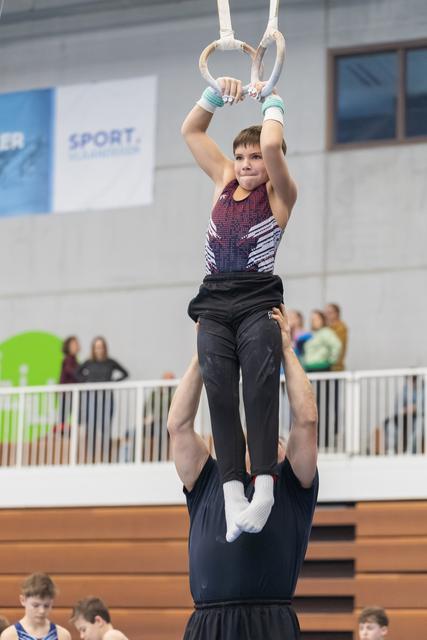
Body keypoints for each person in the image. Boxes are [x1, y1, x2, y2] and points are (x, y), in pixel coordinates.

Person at [182, 77, 298, 539]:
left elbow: (272, 143)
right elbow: (192, 132)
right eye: (241, 156)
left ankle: (264, 485)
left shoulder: (280, 195)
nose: (247, 164)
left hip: (256, 302)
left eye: (255, 158)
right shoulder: (223, 180)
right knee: (220, 393)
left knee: (258, 389)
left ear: (272, 165)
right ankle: (233, 494)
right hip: (213, 300)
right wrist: (214, 94)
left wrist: (270, 98)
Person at [167, 304, 318, 640]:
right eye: (256, 443)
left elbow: (306, 420)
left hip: (270, 620)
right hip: (210, 623)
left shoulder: (292, 487)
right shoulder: (209, 481)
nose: (266, 447)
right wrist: (203, 352)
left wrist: (285, 350)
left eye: (276, 443)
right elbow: (177, 425)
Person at [76, 337, 128, 462]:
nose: (99, 349)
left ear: (104, 348)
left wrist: (113, 382)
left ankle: (106, 455)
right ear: (94, 349)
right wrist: (86, 380)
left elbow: (125, 373)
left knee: (105, 425)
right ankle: (91, 455)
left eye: (101, 347)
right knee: (91, 426)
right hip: (91, 397)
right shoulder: (89, 362)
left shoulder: (110, 362)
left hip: (106, 397)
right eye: (97, 347)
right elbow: (76, 373)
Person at [0, 573, 70, 640]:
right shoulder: (9, 636)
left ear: (51, 603)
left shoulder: (62, 635)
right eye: (35, 605)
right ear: (23, 600)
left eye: (46, 606)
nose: (42, 611)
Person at [57, 336, 80, 433]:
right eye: (74, 344)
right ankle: (63, 433)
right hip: (67, 393)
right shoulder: (68, 360)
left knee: (71, 414)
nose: (77, 346)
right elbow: (71, 372)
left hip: (70, 393)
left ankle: (67, 432)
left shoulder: (74, 360)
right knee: (65, 415)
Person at [325, 303, 348, 371]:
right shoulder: (326, 327)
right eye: (325, 313)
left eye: (329, 313)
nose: (326, 315)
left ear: (336, 313)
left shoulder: (341, 327)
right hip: (325, 366)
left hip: (336, 367)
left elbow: (337, 346)